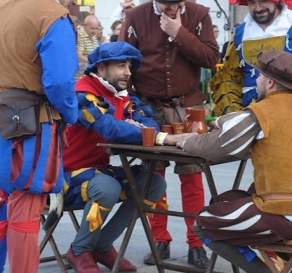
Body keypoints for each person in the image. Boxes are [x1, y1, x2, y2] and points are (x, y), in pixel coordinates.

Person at [173, 50, 292, 273]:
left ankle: (263, 271)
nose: (257, 80)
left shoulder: (262, 112)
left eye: (259, 76)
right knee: (233, 201)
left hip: (283, 217)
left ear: (270, 83)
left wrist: (185, 141)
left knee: (204, 223)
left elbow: (215, 147)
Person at [0, 0, 79, 272]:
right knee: (26, 205)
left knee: (10, 198)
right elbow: (60, 81)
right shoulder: (51, 15)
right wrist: (71, 115)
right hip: (33, 122)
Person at [119, 0, 220, 268]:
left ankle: (196, 243)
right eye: (166, 5)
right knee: (154, 176)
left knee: (192, 175)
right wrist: (128, 109)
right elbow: (123, 61)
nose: (172, 9)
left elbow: (211, 58)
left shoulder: (199, 15)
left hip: (188, 107)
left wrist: (179, 33)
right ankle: (159, 239)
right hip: (148, 108)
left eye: (177, 3)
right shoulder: (135, 16)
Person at [63, 41, 168, 273]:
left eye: (129, 66)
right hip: (63, 178)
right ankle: (79, 250)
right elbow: (109, 128)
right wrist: (150, 134)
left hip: (97, 174)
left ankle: (101, 244)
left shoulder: (122, 96)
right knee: (107, 187)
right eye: (121, 66)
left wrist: (143, 128)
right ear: (101, 69)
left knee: (154, 184)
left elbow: (149, 122)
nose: (128, 73)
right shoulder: (82, 93)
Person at [211, 0, 292, 116]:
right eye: (252, 3)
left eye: (263, 1)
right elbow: (231, 77)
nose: (258, 8)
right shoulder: (240, 33)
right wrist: (235, 113)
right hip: (252, 113)